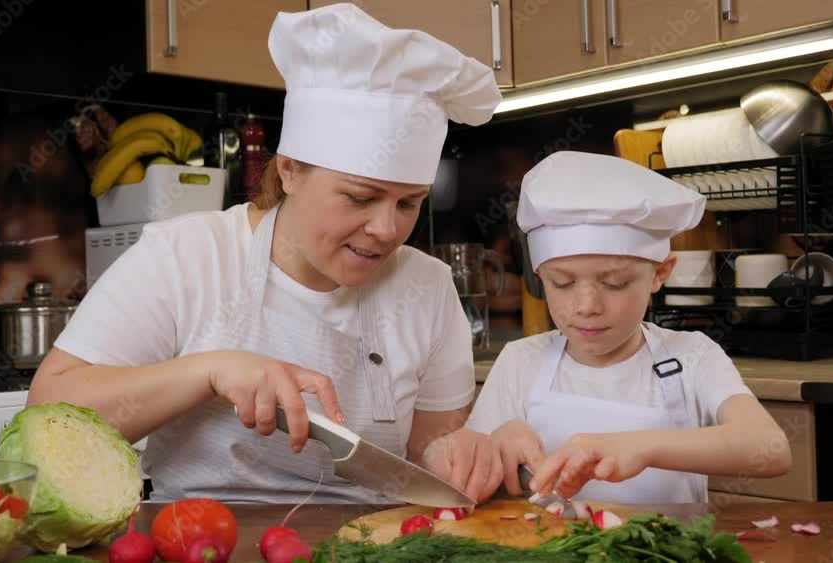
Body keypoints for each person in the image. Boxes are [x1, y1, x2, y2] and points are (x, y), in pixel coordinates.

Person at [28, 4, 505, 505]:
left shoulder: (427, 287)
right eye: (360, 198)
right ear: (290, 170)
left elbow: (429, 458)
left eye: (409, 203)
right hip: (197, 535)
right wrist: (208, 372)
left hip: (374, 537)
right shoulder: (185, 256)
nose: (387, 230)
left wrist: (457, 456)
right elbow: (48, 415)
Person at [465, 151, 792, 505]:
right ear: (539, 276)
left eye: (615, 283)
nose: (588, 306)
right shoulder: (520, 362)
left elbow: (771, 448)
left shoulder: (692, 356)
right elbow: (466, 485)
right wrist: (499, 440)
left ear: (660, 273)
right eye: (562, 283)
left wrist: (641, 446)